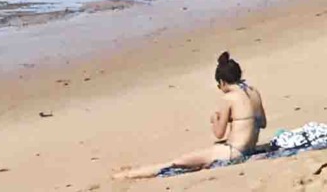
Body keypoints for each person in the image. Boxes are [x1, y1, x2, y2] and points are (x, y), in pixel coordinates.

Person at [115, 51, 269, 179]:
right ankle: (132, 172)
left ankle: (130, 174)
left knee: (179, 162)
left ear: (222, 82)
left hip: (233, 152)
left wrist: (216, 119)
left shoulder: (228, 98)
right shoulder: (253, 92)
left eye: (219, 85)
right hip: (249, 148)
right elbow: (262, 123)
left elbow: (219, 133)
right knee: (202, 156)